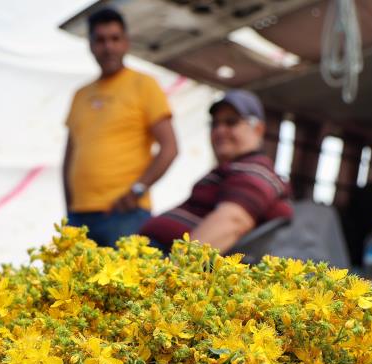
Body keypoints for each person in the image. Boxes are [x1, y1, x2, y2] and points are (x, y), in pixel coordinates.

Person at [63, 7, 178, 247]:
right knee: (75, 285)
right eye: (100, 40)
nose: (108, 47)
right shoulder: (79, 95)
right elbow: (70, 157)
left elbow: (170, 148)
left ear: (126, 42)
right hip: (79, 217)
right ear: (91, 45)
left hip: (125, 214)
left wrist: (137, 190)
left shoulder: (144, 85)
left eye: (115, 39)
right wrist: (70, 209)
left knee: (126, 284)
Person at [139, 90, 292, 254]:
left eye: (231, 122)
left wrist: (175, 270)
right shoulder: (237, 168)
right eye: (215, 124)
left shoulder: (256, 171)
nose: (219, 130)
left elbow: (233, 221)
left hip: (167, 264)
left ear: (258, 129)